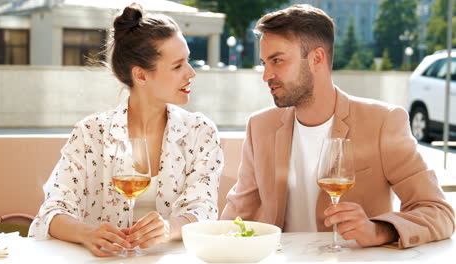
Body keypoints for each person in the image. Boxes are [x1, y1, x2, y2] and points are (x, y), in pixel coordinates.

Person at [221, 4, 454, 248]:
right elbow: (236, 216)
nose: (266, 75)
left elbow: (438, 211)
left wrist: (379, 230)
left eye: (277, 60)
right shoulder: (260, 126)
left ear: (316, 58)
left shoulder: (383, 122)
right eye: (264, 63)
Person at [29, 3, 223, 257]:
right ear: (141, 76)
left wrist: (169, 228)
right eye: (178, 66)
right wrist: (86, 233)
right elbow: (52, 211)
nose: (191, 73)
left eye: (188, 61)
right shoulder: (91, 133)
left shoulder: (201, 132)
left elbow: (204, 210)